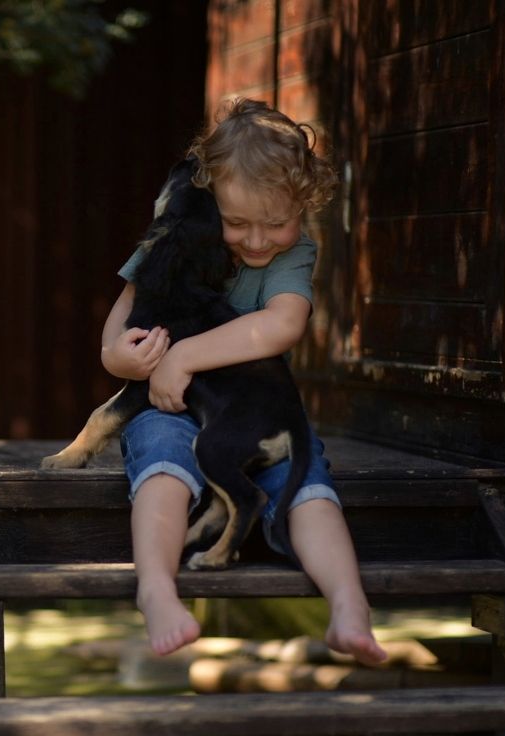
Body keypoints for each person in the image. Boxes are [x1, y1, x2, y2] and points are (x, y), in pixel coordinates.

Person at [101, 97, 389, 665]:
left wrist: (181, 355)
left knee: (307, 483)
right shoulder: (178, 234)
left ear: (302, 208)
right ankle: (157, 590)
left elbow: (282, 324)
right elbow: (119, 325)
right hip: (172, 406)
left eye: (276, 223)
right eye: (237, 224)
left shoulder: (292, 255)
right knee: (161, 462)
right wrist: (122, 359)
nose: (258, 241)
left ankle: (350, 606)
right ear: (210, 199)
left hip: (257, 409)